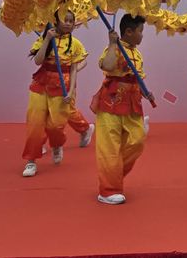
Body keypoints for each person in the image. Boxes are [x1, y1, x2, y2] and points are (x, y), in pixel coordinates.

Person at [91, 14, 155, 204]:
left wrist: (146, 92)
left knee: (137, 141)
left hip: (132, 103)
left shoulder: (137, 54)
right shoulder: (114, 48)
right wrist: (112, 44)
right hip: (110, 103)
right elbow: (107, 65)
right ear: (128, 32)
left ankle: (114, 174)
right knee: (109, 147)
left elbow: (137, 78)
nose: (142, 35)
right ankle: (108, 190)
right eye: (140, 31)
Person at [22, 10, 88, 177]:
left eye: (71, 21)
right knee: (35, 124)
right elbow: (37, 61)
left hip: (62, 86)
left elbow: (74, 70)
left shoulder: (76, 44)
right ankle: (31, 161)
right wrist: (47, 40)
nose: (68, 23)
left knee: (56, 126)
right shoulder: (45, 38)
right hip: (41, 84)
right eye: (64, 20)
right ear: (56, 21)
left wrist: (71, 92)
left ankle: (57, 144)